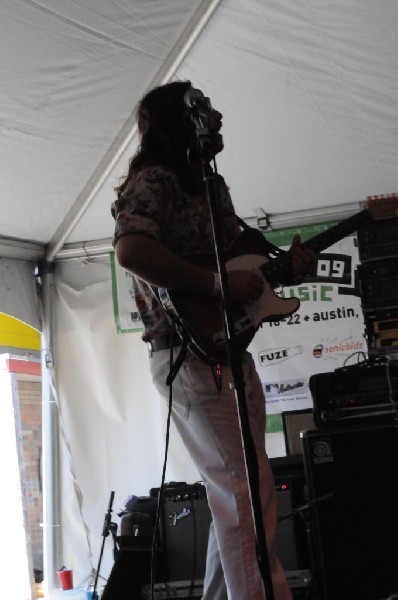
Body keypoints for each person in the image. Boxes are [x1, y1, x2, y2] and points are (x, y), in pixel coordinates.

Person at [111, 80, 317, 600]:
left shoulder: (210, 185)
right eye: (206, 109)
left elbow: (241, 268)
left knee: (241, 493)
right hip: (188, 356)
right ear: (182, 121)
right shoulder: (155, 181)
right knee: (244, 491)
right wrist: (212, 284)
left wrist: (283, 270)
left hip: (226, 351)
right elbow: (131, 250)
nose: (219, 116)